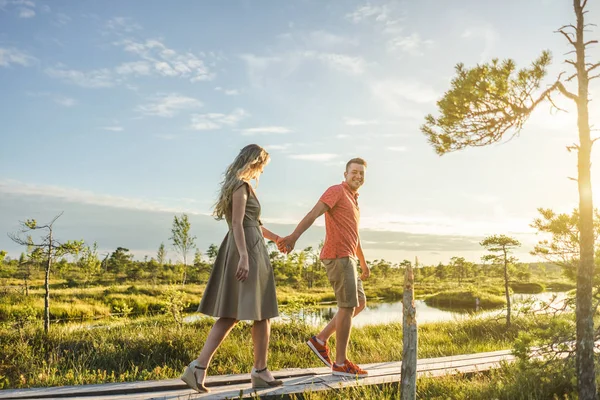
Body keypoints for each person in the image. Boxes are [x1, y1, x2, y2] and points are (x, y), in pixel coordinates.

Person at [181, 144, 283, 393]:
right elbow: (237, 223)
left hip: (251, 246)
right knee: (247, 313)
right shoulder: (241, 184)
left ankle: (204, 369)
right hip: (245, 249)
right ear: (254, 161)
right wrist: (244, 257)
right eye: (262, 166)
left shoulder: (240, 184)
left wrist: (277, 238)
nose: (262, 171)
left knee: (251, 313)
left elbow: (254, 224)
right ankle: (252, 370)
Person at [277, 157, 370, 378]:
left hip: (350, 258)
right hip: (338, 256)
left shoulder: (354, 200)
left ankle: (320, 340)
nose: (358, 176)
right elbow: (313, 213)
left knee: (360, 304)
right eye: (354, 172)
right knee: (347, 307)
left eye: (361, 173)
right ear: (345, 174)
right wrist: (293, 237)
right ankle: (340, 364)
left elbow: (354, 237)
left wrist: (363, 263)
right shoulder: (337, 190)